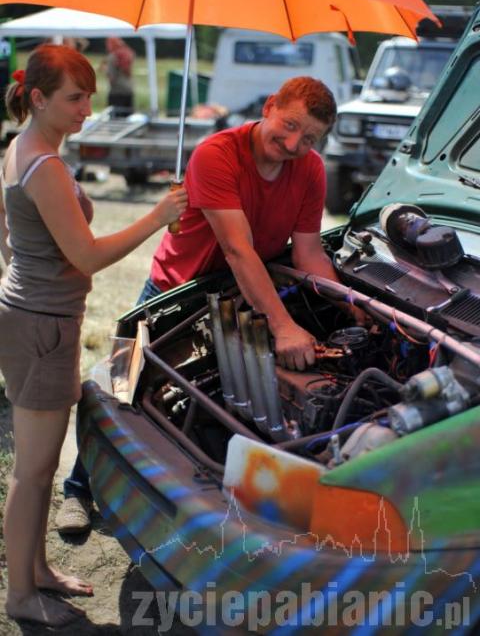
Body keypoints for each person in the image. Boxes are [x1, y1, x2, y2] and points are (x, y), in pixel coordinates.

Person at [56, 75, 368, 535]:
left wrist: (352, 305)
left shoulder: (312, 169)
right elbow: (238, 250)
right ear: (269, 105)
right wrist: (283, 327)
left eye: (310, 138)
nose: (294, 142)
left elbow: (308, 253)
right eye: (289, 125)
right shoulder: (217, 154)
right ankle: (78, 489)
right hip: (173, 291)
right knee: (121, 384)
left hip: (242, 291)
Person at [0, 44, 187, 627]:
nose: (86, 109)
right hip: (43, 327)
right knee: (33, 472)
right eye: (74, 98)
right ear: (38, 98)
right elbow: (87, 254)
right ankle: (20, 598)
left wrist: (29, 268)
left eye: (89, 96)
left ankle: (39, 573)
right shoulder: (43, 164)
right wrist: (156, 217)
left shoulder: (21, 148)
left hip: (32, 316)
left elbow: (9, 239)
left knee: (39, 462)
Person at [103, 37, 135, 115]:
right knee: (127, 118)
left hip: (117, 92)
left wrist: (105, 70)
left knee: (115, 120)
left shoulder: (112, 56)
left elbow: (112, 78)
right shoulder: (128, 54)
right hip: (129, 90)